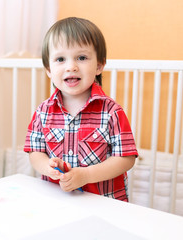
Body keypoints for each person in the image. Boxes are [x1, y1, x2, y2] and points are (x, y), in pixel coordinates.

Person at [23, 17, 138, 201]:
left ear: (99, 65)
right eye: (60, 59)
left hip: (104, 202)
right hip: (58, 199)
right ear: (49, 70)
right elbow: (35, 152)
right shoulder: (43, 112)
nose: (71, 67)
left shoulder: (111, 112)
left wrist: (86, 175)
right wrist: (47, 167)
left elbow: (126, 159)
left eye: (81, 58)